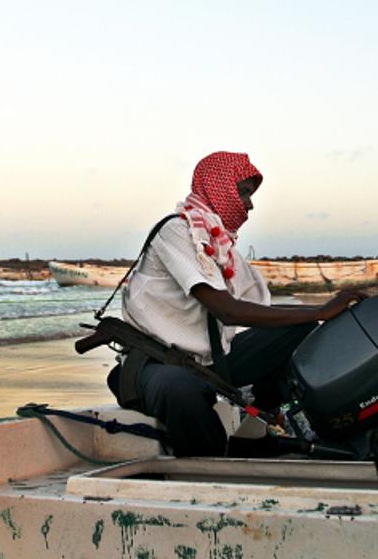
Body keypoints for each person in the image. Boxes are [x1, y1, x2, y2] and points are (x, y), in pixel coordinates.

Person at [109, 151, 364, 457]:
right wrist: (322, 310)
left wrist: (320, 312)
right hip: (156, 365)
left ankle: (257, 425)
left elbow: (262, 310)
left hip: (208, 363)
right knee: (181, 390)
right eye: (243, 193)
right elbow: (227, 311)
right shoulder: (176, 231)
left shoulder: (221, 244)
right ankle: (212, 468)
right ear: (218, 187)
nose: (249, 204)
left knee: (299, 328)